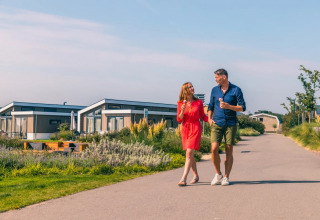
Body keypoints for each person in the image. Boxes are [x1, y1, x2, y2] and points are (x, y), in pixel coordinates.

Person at [207, 69, 246, 186]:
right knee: (214, 148)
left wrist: (229, 106)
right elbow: (210, 106)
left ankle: (226, 176)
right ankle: (218, 173)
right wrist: (209, 118)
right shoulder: (214, 90)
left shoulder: (236, 90)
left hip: (231, 123)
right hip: (217, 122)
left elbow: (242, 107)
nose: (215, 79)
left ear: (223, 77)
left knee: (229, 149)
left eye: (216, 77)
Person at [177, 82, 208, 186]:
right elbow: (179, 119)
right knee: (191, 154)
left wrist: (212, 121)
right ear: (185, 90)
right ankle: (196, 176)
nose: (192, 88)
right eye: (190, 87)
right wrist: (182, 110)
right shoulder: (181, 103)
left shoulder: (198, 102)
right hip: (185, 129)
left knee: (189, 153)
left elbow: (203, 116)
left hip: (195, 128)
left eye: (192, 86)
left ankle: (183, 178)